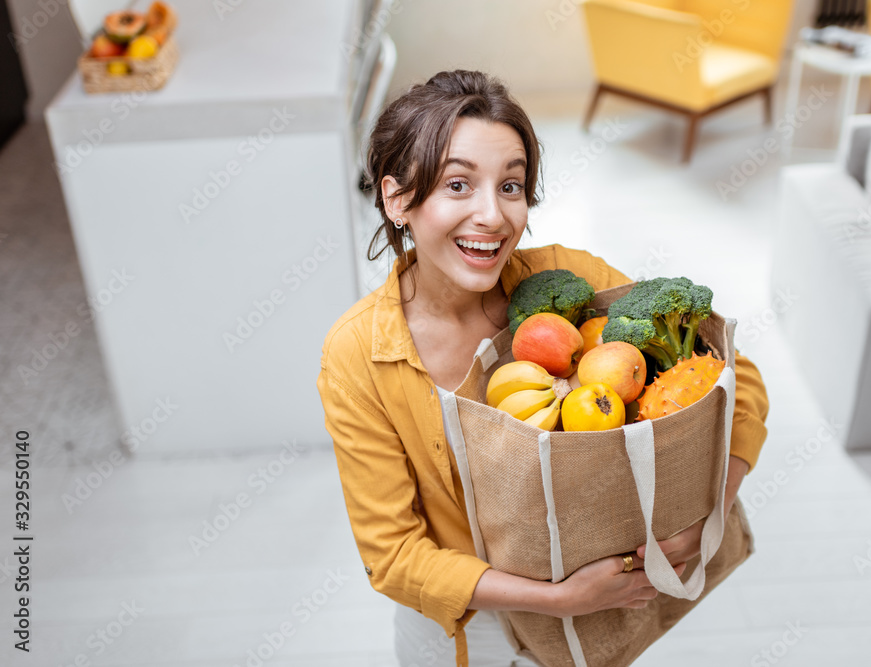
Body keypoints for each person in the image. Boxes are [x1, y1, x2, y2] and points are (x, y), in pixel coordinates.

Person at [316, 70, 769, 667]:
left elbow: (737, 379)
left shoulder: (566, 277)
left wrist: (711, 503)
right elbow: (395, 555)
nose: (492, 215)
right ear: (399, 198)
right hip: (465, 634)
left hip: (609, 611)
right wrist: (560, 600)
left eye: (511, 186)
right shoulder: (357, 356)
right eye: (458, 184)